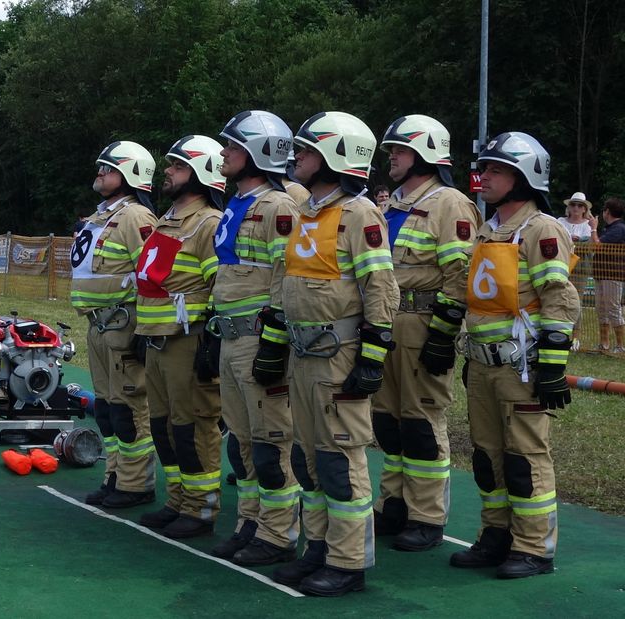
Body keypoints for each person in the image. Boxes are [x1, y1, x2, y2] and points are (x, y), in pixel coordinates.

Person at [270, 111, 398, 596]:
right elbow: (289, 285)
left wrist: (371, 356)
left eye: (306, 149)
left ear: (336, 156)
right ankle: (318, 548)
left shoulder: (359, 213)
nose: (296, 157)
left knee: (341, 461)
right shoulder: (308, 211)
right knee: (308, 459)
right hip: (304, 356)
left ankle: (348, 563)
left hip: (339, 355)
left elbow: (380, 286)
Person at [453, 131, 579, 579]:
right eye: (484, 168)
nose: (483, 176)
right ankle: (496, 535)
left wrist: (553, 364)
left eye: (495, 170)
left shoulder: (542, 229)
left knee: (525, 457)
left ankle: (533, 548)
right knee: (488, 457)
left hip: (520, 366)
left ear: (524, 177)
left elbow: (559, 299)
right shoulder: (491, 228)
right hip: (484, 363)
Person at [370, 115, 481, 554]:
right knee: (388, 420)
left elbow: (462, 271)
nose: (391, 158)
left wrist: (443, 331)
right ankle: (393, 503)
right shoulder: (393, 204)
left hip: (422, 323)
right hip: (388, 323)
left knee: (419, 422)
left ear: (423, 154)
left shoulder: (449, 203)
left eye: (398, 150)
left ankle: (427, 516)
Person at [203, 110, 302, 556]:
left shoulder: (278, 206)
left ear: (258, 154)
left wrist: (275, 342)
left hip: (257, 341)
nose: (223, 153)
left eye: (233, 146)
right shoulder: (239, 203)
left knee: (271, 443)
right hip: (231, 338)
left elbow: (287, 274)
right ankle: (250, 523)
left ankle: (278, 534)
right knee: (242, 443)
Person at [133, 136, 225, 533]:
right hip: (156, 338)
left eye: (177, 165)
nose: (167, 171)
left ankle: (200, 508)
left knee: (193, 427)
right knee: (163, 426)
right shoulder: (166, 221)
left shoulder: (208, 224)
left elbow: (220, 288)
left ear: (202, 173)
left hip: (187, 341)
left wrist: (213, 341)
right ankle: (178, 499)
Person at [71, 141, 158, 509]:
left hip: (123, 324)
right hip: (98, 325)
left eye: (108, 167)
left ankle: (136, 482)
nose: (100, 172)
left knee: (128, 408)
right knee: (106, 409)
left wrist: (145, 329)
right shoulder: (102, 215)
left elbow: (152, 275)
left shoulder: (137, 217)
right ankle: (115, 475)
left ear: (130, 174)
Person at [590, 198, 625, 353]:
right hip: (601, 273)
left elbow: (597, 246)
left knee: (613, 309)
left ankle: (620, 346)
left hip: (613, 274)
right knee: (601, 309)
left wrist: (594, 229)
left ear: (607, 211)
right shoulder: (610, 228)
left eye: (604, 210)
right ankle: (604, 343)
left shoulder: (618, 228)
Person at [558, 191, 594, 350]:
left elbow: (590, 247)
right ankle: (560, 333)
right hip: (561, 263)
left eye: (580, 205)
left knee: (576, 301)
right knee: (559, 299)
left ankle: (576, 337)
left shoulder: (588, 226)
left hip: (579, 266)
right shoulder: (560, 221)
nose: (576, 208)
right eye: (573, 204)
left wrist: (578, 241)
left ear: (585, 209)